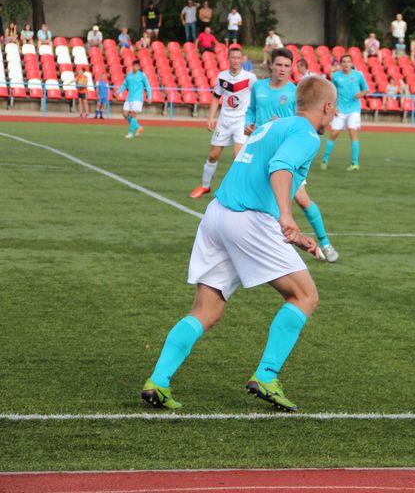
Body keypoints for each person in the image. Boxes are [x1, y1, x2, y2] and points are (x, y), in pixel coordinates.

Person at [140, 76, 338, 411]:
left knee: (206, 310)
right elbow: (280, 168)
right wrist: (287, 217)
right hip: (247, 219)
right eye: (334, 111)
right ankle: (267, 374)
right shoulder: (305, 134)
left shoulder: (272, 126)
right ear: (327, 107)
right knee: (304, 295)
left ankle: (158, 381)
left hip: (217, 214)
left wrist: (293, 231)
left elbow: (259, 174)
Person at [246, 49, 340, 262]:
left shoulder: (295, 92)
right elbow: (250, 110)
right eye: (279, 65)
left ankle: (325, 242)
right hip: (262, 148)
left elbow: (302, 121)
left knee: (302, 198)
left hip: (288, 153)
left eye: (287, 66)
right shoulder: (258, 87)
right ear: (271, 65)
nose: (283, 69)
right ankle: (264, 236)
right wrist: (249, 125)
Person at [190, 46, 257, 199]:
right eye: (233, 57)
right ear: (228, 59)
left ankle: (238, 190)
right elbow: (216, 97)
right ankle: (205, 186)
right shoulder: (222, 76)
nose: (235, 60)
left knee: (237, 155)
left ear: (243, 59)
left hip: (242, 121)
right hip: (224, 120)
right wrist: (211, 117)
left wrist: (253, 119)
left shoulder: (250, 78)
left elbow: (257, 97)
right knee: (213, 155)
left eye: (238, 58)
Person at [320, 54, 368, 172]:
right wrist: (333, 107)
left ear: (352, 63)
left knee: (353, 132)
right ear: (341, 64)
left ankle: (355, 163)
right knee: (334, 133)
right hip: (340, 110)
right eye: (344, 62)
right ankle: (325, 160)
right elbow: (332, 93)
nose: (346, 64)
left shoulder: (358, 75)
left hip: (354, 109)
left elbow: (366, 89)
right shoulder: (336, 77)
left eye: (348, 62)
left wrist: (361, 94)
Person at [117, 60, 151, 139]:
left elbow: (148, 86)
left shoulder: (142, 75)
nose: (135, 67)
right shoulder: (129, 75)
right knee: (125, 114)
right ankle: (138, 127)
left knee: (133, 114)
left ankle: (131, 133)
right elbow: (124, 85)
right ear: (132, 66)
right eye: (133, 66)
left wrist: (149, 96)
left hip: (138, 98)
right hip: (129, 98)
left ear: (139, 67)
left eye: (136, 66)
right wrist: (118, 92)